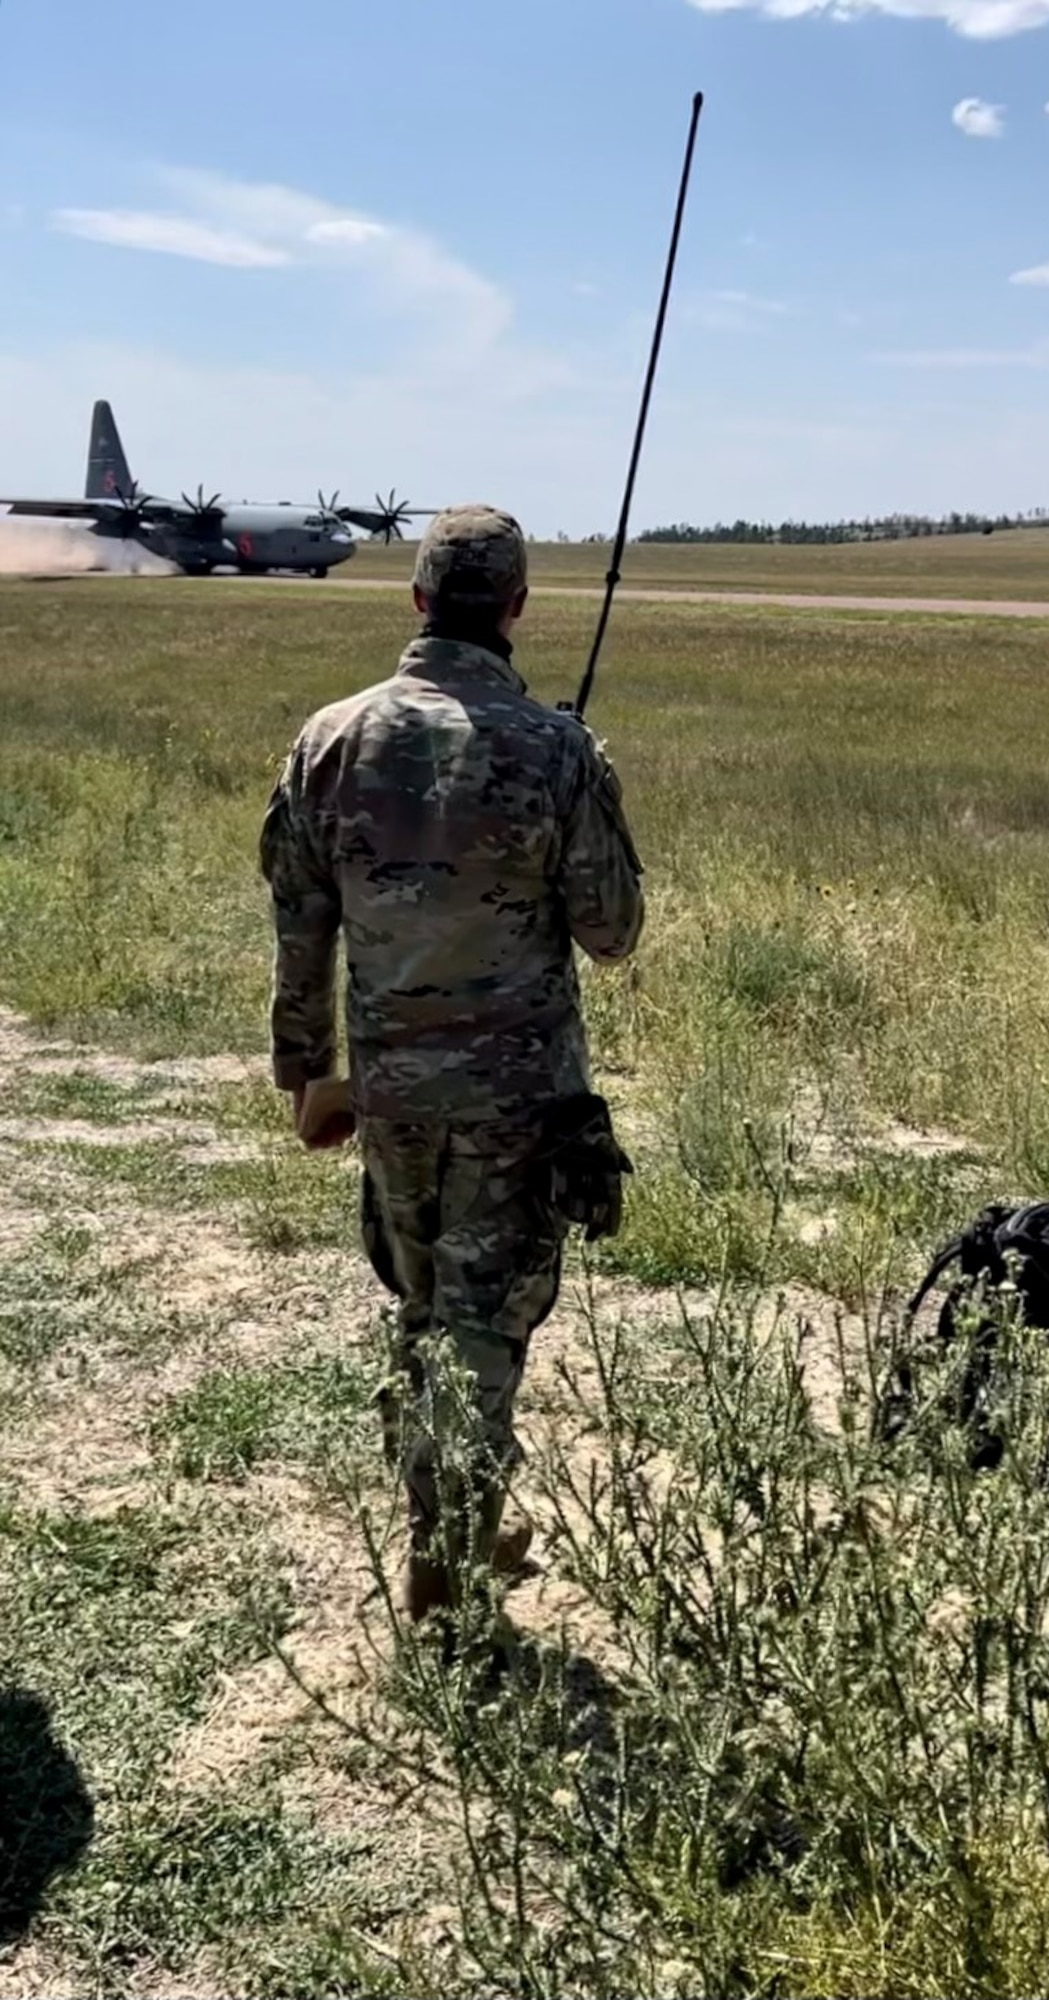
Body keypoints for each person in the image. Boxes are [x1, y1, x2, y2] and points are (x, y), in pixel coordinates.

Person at [259, 504, 644, 1653]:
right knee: (484, 1325)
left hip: (393, 1096)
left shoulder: (330, 738)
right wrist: (586, 782)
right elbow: (612, 928)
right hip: (516, 1102)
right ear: (517, 608)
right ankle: (448, 1562)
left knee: (425, 1306)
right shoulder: (555, 752)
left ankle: (450, 1522)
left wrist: (306, 1070)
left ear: (418, 600)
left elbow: (300, 922)